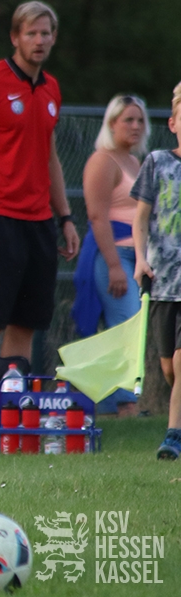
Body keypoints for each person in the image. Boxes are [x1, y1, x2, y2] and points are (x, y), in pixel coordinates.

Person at [0, 0, 79, 361]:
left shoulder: (52, 88)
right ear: (15, 37)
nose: (39, 40)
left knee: (26, 323)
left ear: (54, 38)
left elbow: (49, 156)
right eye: (31, 33)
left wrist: (66, 217)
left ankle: (13, 396)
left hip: (39, 222)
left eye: (45, 33)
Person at [72, 94, 149, 416]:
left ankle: (108, 405)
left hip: (137, 257)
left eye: (140, 120)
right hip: (113, 257)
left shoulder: (135, 161)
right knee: (125, 329)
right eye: (128, 120)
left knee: (132, 330)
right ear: (112, 124)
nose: (136, 126)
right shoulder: (103, 161)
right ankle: (124, 404)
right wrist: (115, 266)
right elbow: (97, 216)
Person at [132, 81, 181, 460]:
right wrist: (139, 258)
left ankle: (173, 436)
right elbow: (141, 217)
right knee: (168, 369)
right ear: (173, 123)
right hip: (164, 280)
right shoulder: (158, 163)